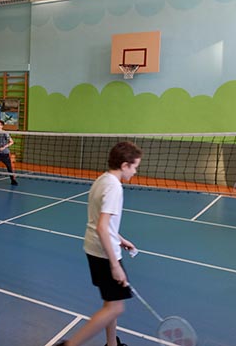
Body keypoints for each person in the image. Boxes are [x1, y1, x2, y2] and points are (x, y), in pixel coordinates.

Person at [55, 141, 143, 346]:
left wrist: (120, 239)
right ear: (124, 165)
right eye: (135, 167)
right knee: (115, 307)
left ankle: (112, 344)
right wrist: (115, 266)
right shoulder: (114, 188)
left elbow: (101, 222)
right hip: (104, 254)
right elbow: (102, 227)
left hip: (94, 248)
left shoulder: (102, 180)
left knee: (111, 303)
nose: (135, 171)